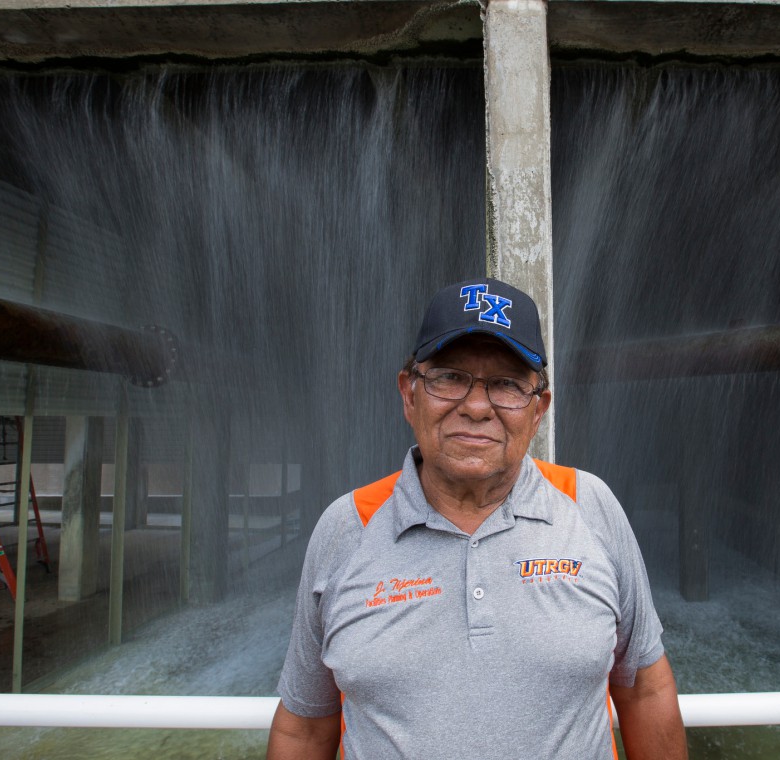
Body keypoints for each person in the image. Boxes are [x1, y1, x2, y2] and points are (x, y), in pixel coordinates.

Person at [267, 278, 687, 759]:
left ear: (538, 410)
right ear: (409, 394)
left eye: (507, 384)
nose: (475, 406)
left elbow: (644, 690)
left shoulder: (590, 505)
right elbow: (304, 726)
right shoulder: (347, 527)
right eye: (449, 377)